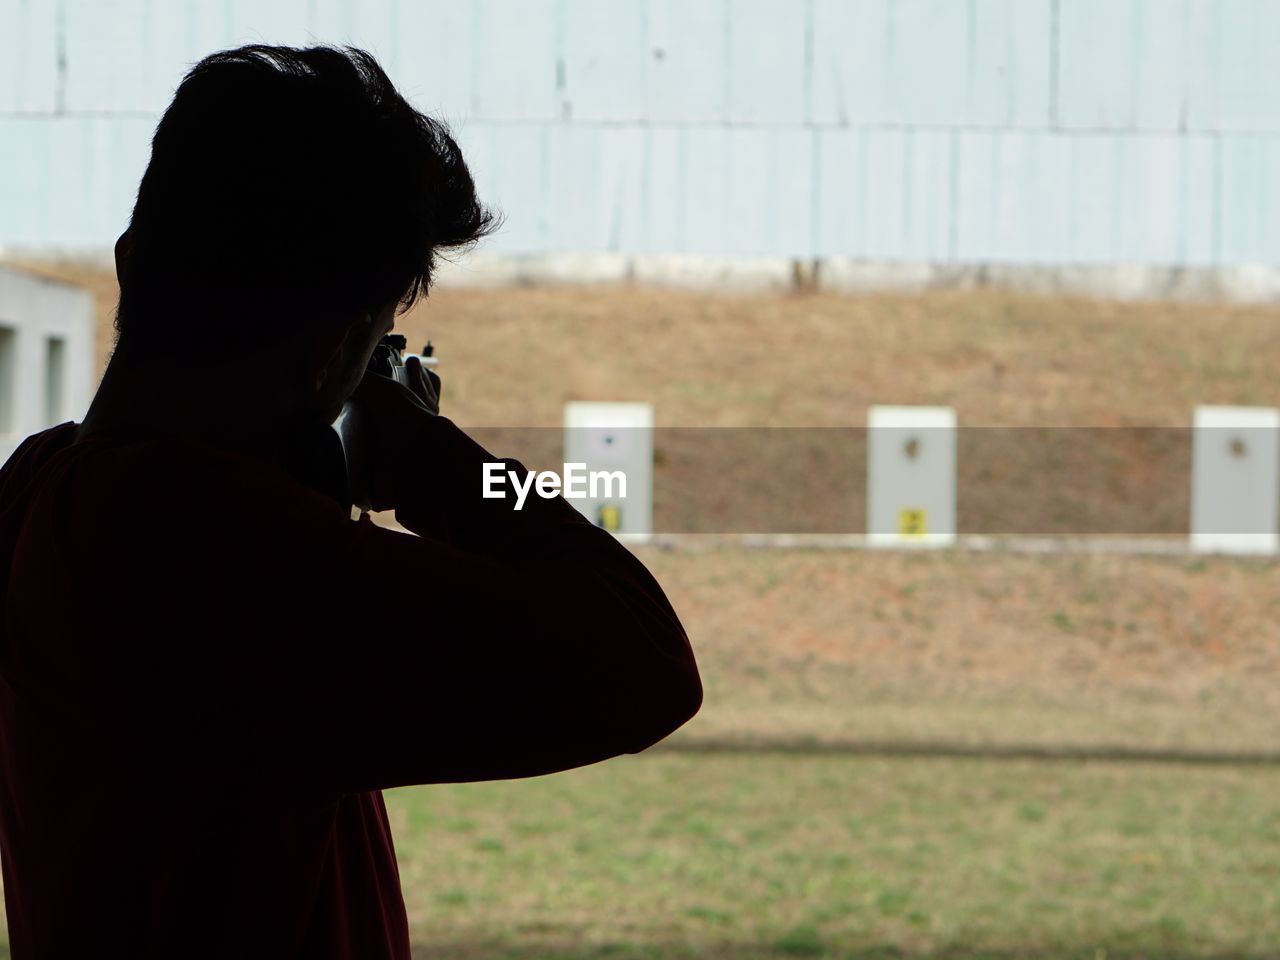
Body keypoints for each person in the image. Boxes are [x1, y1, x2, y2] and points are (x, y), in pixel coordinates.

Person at [0, 45, 701, 958]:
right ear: (337, 347)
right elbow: (640, 659)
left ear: (133, 264)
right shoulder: (207, 545)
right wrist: (425, 455)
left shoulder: (40, 487)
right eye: (368, 341)